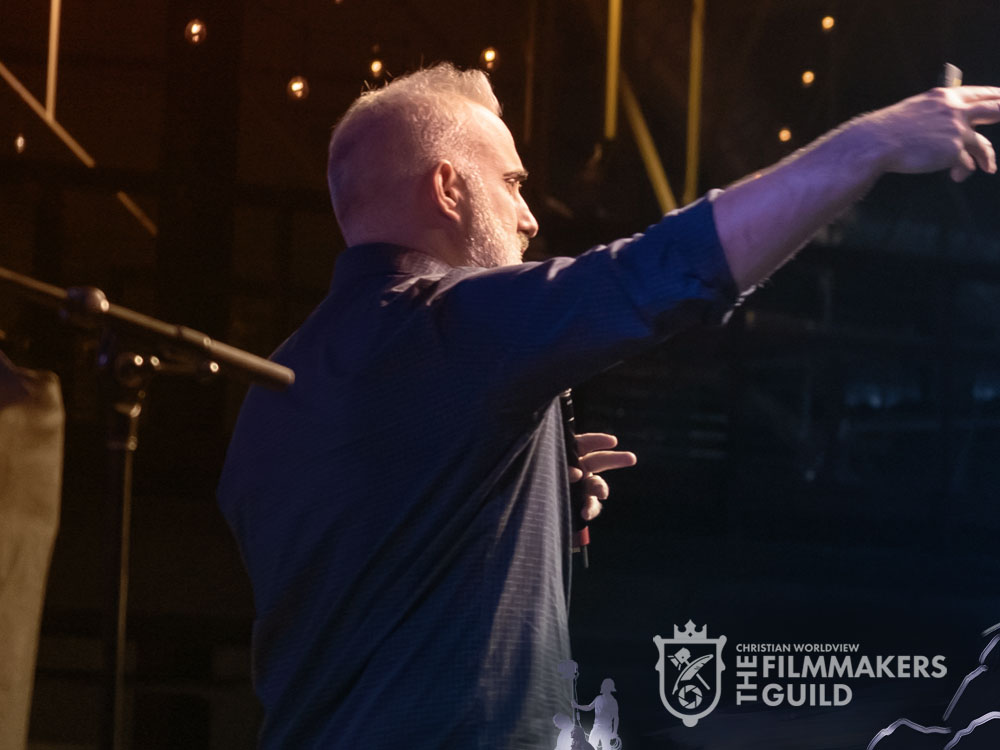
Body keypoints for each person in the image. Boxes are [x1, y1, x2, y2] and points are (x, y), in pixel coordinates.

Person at [217, 62, 1000, 749]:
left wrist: (493, 488)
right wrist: (872, 143)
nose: (529, 216)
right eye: (512, 183)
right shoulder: (457, 325)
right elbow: (668, 270)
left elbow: (369, 565)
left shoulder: (274, 392)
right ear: (448, 188)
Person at [573, 678, 619, 749]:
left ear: (609, 688)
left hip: (607, 729)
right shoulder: (598, 698)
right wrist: (577, 706)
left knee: (606, 747)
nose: (603, 687)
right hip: (596, 727)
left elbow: (616, 717)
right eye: (603, 686)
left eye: (606, 686)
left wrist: (615, 732)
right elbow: (588, 707)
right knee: (590, 745)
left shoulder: (613, 701)